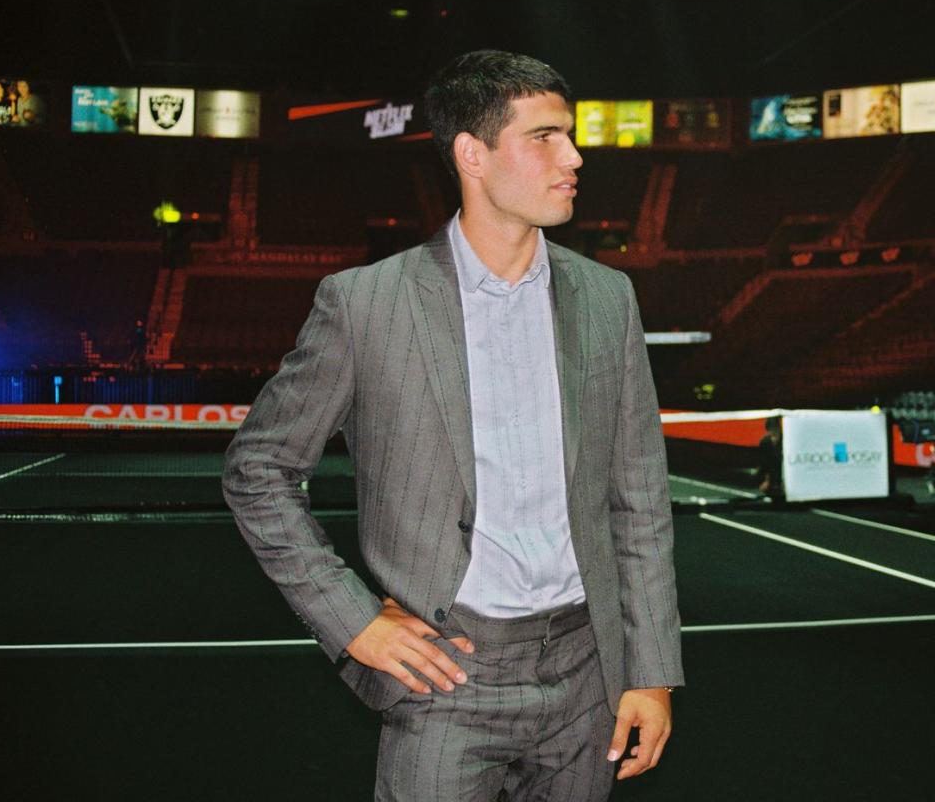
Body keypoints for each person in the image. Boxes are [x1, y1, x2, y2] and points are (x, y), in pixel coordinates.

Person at [223, 49, 683, 801]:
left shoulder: (608, 299)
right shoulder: (365, 302)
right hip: (448, 674)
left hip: (587, 675)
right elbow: (258, 471)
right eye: (545, 137)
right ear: (472, 153)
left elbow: (638, 499)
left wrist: (652, 671)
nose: (573, 157)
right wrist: (354, 621)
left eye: (570, 135)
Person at [756, 415, 784, 500]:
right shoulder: (765, 442)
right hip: (773, 473)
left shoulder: (787, 441)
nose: (773, 435)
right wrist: (767, 480)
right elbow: (765, 463)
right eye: (771, 431)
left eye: (775, 431)